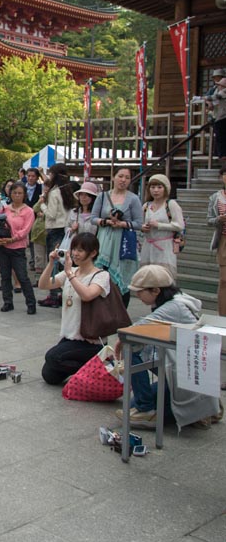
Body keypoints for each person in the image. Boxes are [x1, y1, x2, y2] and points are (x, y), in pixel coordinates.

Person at [113, 265, 221, 429]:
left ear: (155, 290)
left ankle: (146, 410)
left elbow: (134, 332)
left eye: (140, 291)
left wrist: (121, 343)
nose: (137, 295)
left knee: (132, 349)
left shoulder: (173, 307)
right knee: (130, 404)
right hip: (189, 375)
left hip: (185, 377)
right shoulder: (178, 299)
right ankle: (205, 409)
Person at [38, 232, 110, 385]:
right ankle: (85, 371)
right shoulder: (71, 272)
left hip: (90, 339)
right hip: (69, 337)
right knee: (49, 375)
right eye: (74, 249)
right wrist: (51, 263)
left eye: (80, 250)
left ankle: (95, 367)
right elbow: (43, 285)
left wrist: (70, 274)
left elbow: (87, 295)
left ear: (93, 253)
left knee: (52, 357)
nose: (75, 254)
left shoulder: (101, 275)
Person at [91, 166, 142, 306]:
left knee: (122, 278)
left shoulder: (133, 199)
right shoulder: (102, 196)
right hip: (104, 239)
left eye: (127, 177)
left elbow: (139, 223)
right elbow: (93, 218)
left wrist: (122, 224)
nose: (123, 180)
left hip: (123, 241)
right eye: (120, 176)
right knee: (101, 274)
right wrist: (105, 221)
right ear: (114, 177)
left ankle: (121, 311)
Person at [36, 165, 77, 308]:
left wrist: (42, 205)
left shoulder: (54, 192)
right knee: (62, 262)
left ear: (54, 175)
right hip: (64, 229)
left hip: (54, 229)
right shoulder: (67, 189)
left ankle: (53, 296)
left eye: (50, 174)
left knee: (53, 263)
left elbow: (51, 214)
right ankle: (61, 294)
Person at [0, 182, 37, 314]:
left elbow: (25, 230)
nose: (17, 195)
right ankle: (7, 302)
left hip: (18, 247)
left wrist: (12, 239)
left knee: (22, 276)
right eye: (14, 193)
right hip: (2, 246)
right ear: (10, 194)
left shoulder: (28, 211)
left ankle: (31, 303)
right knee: (5, 275)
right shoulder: (5, 209)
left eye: (20, 193)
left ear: (24, 195)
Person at [139, 174, 183, 280]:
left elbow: (179, 225)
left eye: (159, 187)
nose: (156, 190)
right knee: (148, 278)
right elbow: (139, 223)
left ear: (165, 189)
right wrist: (143, 227)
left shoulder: (171, 204)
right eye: (153, 187)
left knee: (164, 278)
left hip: (165, 247)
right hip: (148, 246)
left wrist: (159, 225)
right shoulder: (146, 206)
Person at [207, 165, 226, 316]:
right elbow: (209, 220)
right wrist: (218, 219)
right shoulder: (215, 197)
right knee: (224, 280)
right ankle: (222, 316)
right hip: (223, 241)